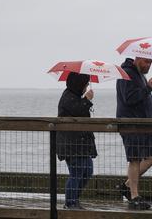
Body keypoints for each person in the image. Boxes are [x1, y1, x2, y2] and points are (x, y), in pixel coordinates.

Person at [116, 57, 152, 210]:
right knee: (135, 159)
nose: (148, 65)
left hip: (145, 124)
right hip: (131, 124)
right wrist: (149, 88)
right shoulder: (126, 73)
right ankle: (134, 197)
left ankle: (126, 187)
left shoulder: (139, 74)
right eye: (146, 62)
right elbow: (129, 98)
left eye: (150, 63)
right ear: (137, 58)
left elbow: (140, 95)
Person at [56, 72, 97, 209]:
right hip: (72, 144)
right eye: (85, 84)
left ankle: (74, 199)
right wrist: (87, 99)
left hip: (81, 143)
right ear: (78, 84)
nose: (86, 87)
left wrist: (85, 100)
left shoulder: (75, 96)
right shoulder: (68, 97)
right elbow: (77, 110)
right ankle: (70, 203)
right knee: (76, 173)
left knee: (87, 171)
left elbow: (80, 111)